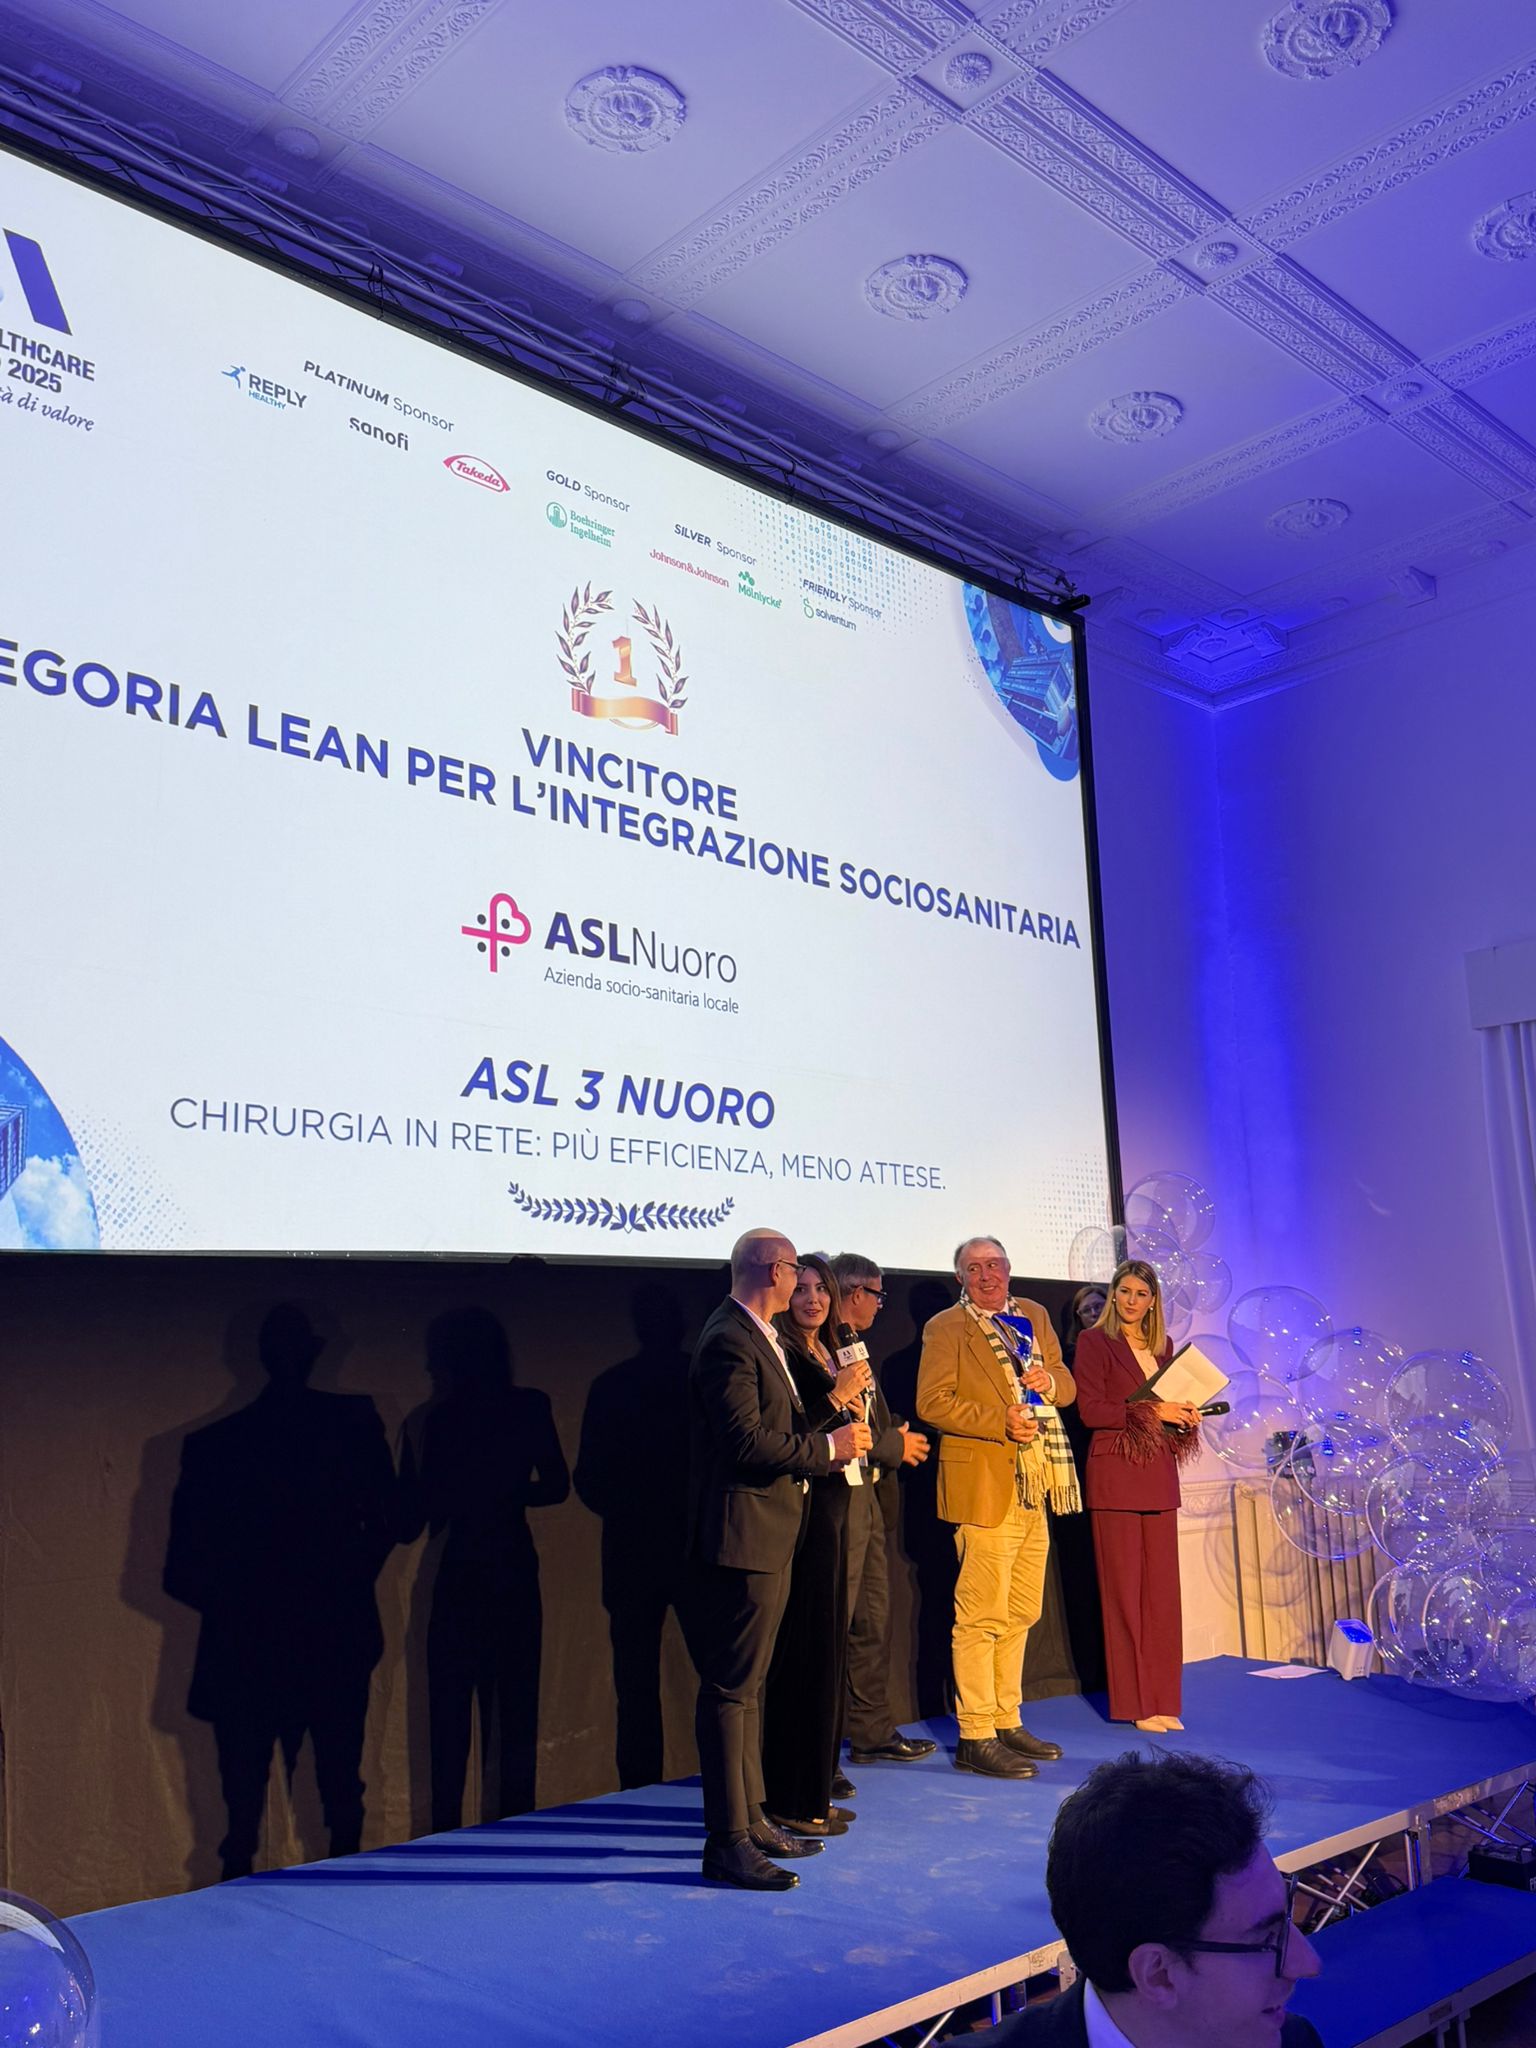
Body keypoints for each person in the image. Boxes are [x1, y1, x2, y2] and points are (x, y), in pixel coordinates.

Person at [686, 1228, 872, 1890]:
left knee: (749, 1689)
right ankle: (727, 1841)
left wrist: (829, 1417)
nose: (802, 1285)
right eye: (797, 1270)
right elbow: (745, 1442)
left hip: (771, 1531)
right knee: (730, 1690)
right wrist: (829, 1450)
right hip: (745, 1535)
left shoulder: (756, 1333)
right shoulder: (729, 1338)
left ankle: (753, 1817)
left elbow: (780, 1426)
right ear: (775, 1272)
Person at [989, 1750, 1323, 2046]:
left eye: (1286, 1918)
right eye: (1266, 1940)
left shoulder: (1295, 2040)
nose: (1308, 1963)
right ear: (1158, 1974)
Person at [916, 1237, 1081, 1779]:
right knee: (980, 1615)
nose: (986, 1275)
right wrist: (998, 1421)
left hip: (1037, 1480)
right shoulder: (946, 1327)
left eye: (993, 1265)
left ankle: (1006, 1719)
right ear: (960, 1278)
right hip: (985, 1484)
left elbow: (1066, 1384)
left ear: (1009, 1269)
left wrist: (1049, 1382)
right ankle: (975, 1734)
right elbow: (931, 1401)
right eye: (974, 1268)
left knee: (1022, 1611)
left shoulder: (1033, 1314)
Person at [760, 1256, 874, 1838]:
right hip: (804, 1516)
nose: (812, 1299)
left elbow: (856, 1420)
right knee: (804, 1658)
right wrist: (838, 1397)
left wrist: (856, 1400)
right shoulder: (784, 1354)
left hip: (837, 1508)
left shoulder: (830, 1351)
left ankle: (816, 1790)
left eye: (820, 1289)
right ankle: (791, 1799)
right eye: (800, 1288)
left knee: (828, 1655)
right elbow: (791, 1435)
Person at [1072, 1260, 1200, 1731]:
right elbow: (1091, 1410)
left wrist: (1184, 1416)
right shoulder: (1094, 1342)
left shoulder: (1163, 1346)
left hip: (1158, 1476)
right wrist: (1153, 1411)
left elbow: (1163, 1412)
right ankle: (1135, 1703)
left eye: (1141, 1294)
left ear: (1153, 1302)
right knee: (1124, 1596)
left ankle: (1164, 1699)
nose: (1131, 1300)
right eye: (1124, 1291)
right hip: (1116, 1477)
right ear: (1113, 1294)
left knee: (1162, 1597)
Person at [828, 1250, 936, 1772]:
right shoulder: (819, 1345)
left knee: (872, 1619)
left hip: (868, 1496)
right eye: (877, 1295)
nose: (879, 1305)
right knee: (836, 1623)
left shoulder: (853, 1342)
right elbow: (834, 1424)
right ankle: (821, 1753)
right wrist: (895, 1444)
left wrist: (891, 1435)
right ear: (856, 1293)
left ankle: (871, 1733)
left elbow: (871, 1415)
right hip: (837, 1499)